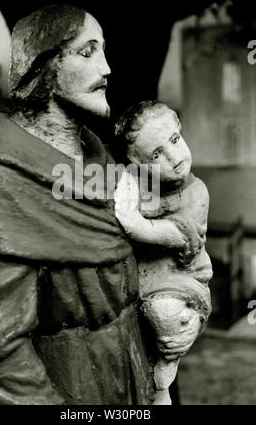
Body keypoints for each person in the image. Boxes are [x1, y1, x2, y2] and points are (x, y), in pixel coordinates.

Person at [0, 5, 156, 405]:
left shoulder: (101, 165)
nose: (107, 68)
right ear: (43, 66)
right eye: (87, 52)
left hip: (132, 379)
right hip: (66, 389)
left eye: (103, 50)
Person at [114, 100, 213, 405]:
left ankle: (165, 372)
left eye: (174, 140)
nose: (174, 157)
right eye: (156, 155)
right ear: (139, 166)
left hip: (181, 279)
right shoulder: (140, 185)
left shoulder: (196, 193)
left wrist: (133, 221)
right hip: (144, 277)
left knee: (165, 312)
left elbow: (170, 235)